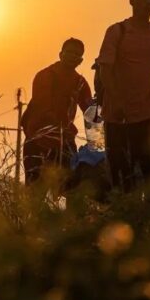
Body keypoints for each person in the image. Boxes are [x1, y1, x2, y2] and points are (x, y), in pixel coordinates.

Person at [96, 0, 150, 199]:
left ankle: (149, 217)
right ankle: (124, 213)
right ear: (131, 1)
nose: (149, 2)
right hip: (118, 116)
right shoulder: (117, 31)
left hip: (149, 113)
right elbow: (105, 71)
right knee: (121, 176)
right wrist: (118, 102)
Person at [21, 38, 92, 194]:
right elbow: (43, 108)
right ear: (61, 54)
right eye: (69, 52)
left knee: (73, 188)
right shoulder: (44, 76)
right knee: (35, 191)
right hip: (39, 140)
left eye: (77, 54)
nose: (72, 56)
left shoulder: (80, 83)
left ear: (81, 60)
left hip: (64, 141)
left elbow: (90, 111)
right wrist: (61, 127)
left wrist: (97, 141)